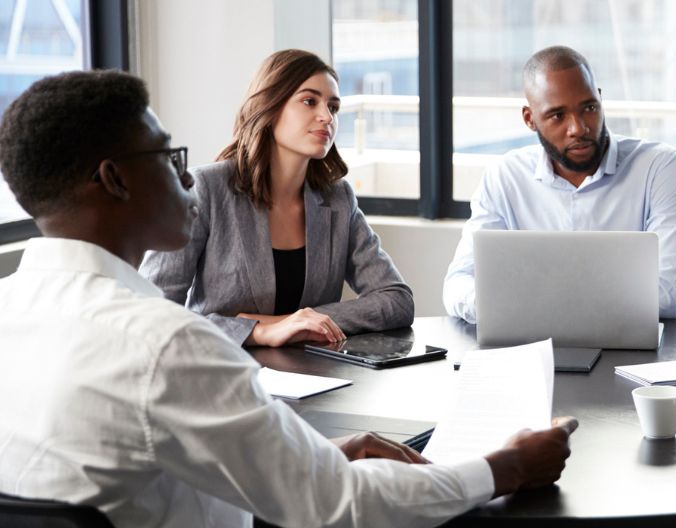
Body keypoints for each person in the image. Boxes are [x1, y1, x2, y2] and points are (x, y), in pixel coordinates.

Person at [0, 70, 578, 527]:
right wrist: (505, 467)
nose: (185, 178)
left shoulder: (11, 307)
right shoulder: (166, 344)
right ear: (116, 180)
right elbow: (339, 506)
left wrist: (312, 454)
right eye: (167, 159)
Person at [141, 49, 412, 347]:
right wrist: (259, 331)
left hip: (317, 378)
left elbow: (397, 300)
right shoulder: (206, 188)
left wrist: (297, 321)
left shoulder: (338, 198)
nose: (326, 117)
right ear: (270, 107)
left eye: (333, 107)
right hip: (222, 373)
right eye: (309, 101)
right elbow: (152, 313)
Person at [442, 45, 676, 323]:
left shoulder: (659, 167)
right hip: (530, 350)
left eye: (588, 108)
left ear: (599, 100)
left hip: (632, 356)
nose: (578, 128)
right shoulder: (505, 176)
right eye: (557, 115)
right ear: (530, 119)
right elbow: (458, 283)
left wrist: (522, 305)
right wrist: (497, 305)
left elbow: (668, 296)